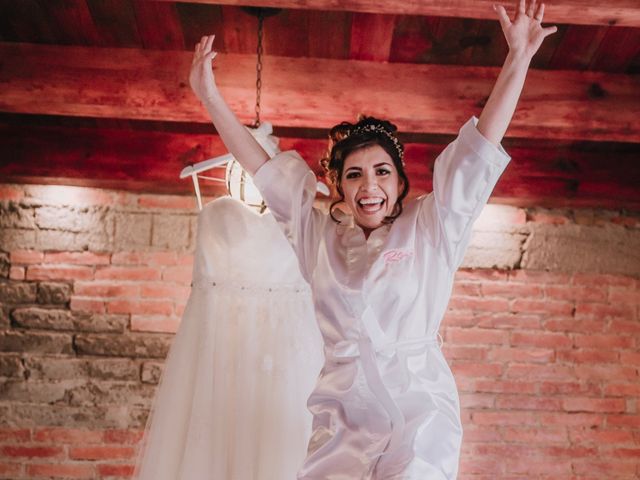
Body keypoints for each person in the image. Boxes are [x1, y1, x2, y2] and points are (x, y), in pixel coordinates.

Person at [189, 1, 556, 478]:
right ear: (339, 186)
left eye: (383, 172)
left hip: (419, 411)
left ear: (400, 184)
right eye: (355, 175)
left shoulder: (433, 227)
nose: (370, 186)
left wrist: (518, 59)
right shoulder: (315, 237)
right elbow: (264, 170)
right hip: (342, 415)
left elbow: (477, 153)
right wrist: (210, 98)